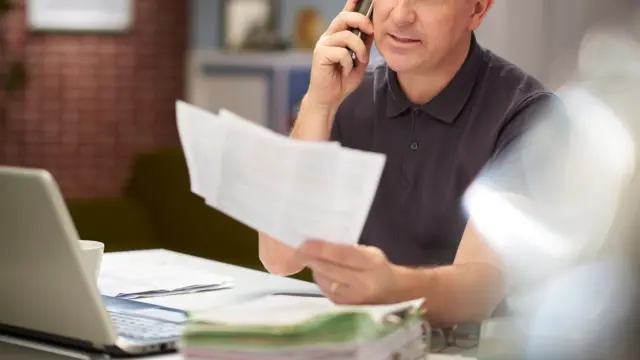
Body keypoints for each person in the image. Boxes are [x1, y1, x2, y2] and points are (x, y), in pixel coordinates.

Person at [259, 0, 561, 327]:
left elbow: (479, 290)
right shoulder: (348, 98)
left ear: (476, 10)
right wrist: (319, 103)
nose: (401, 15)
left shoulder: (531, 117)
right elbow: (279, 256)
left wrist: (390, 287)